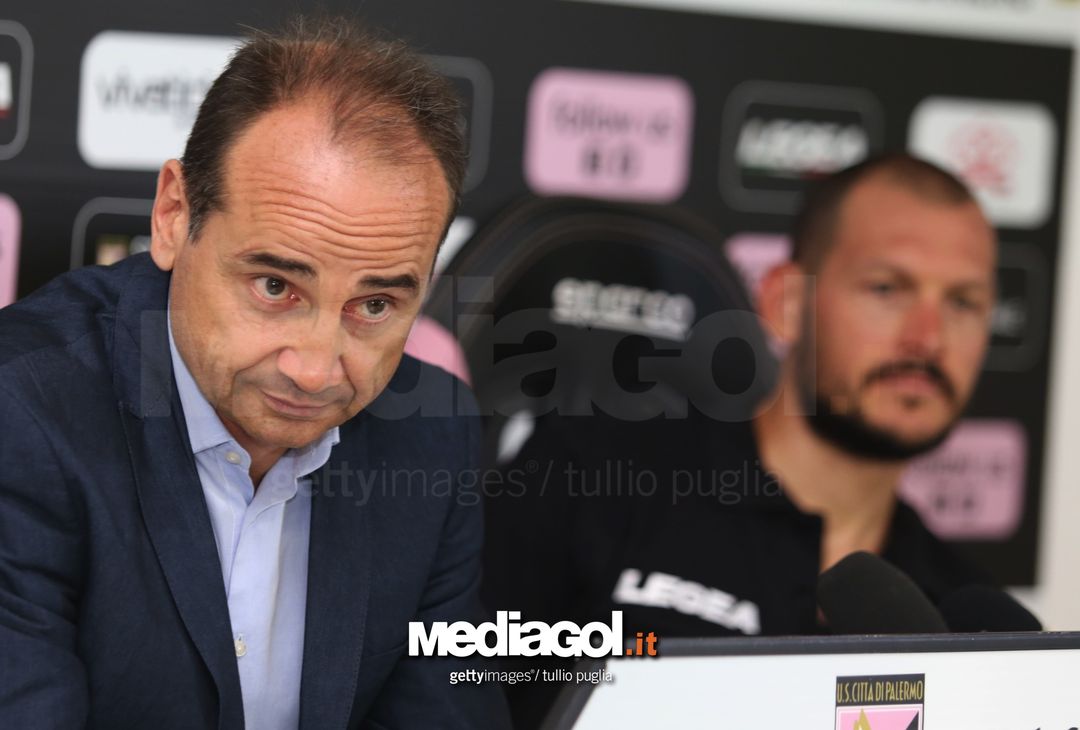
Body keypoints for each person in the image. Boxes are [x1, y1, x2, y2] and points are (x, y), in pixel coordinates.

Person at [0, 17, 509, 729]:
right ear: (175, 216)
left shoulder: (431, 434)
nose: (315, 370)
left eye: (374, 304)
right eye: (276, 287)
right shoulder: (21, 412)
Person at [483, 153, 1017, 727]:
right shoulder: (592, 475)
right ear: (786, 304)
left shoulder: (971, 618)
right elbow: (444, 691)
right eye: (887, 288)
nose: (928, 338)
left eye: (963, 302)